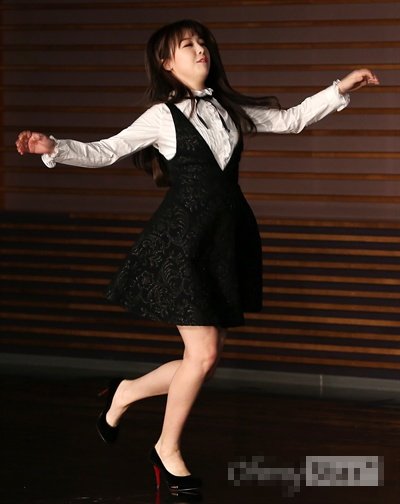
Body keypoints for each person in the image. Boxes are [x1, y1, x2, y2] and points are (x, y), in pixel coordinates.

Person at [15, 18, 379, 495]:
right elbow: (108, 150)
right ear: (167, 63)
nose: (200, 48)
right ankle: (166, 449)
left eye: (202, 41)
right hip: (181, 242)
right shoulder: (162, 116)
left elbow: (290, 119)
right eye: (187, 45)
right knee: (203, 354)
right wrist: (54, 148)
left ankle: (125, 392)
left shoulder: (229, 109)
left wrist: (340, 88)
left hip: (223, 239)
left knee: (202, 359)